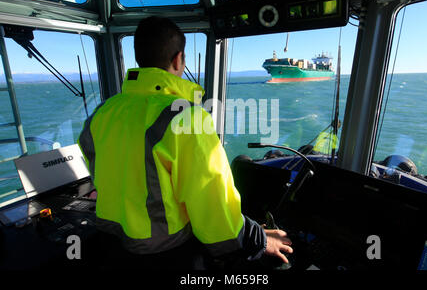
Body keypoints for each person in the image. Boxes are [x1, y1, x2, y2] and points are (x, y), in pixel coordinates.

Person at [78, 16, 293, 269]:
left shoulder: (102, 113)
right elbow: (212, 205)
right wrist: (259, 238)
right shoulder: (186, 117)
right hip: (166, 255)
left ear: (139, 58)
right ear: (178, 59)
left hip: (111, 246)